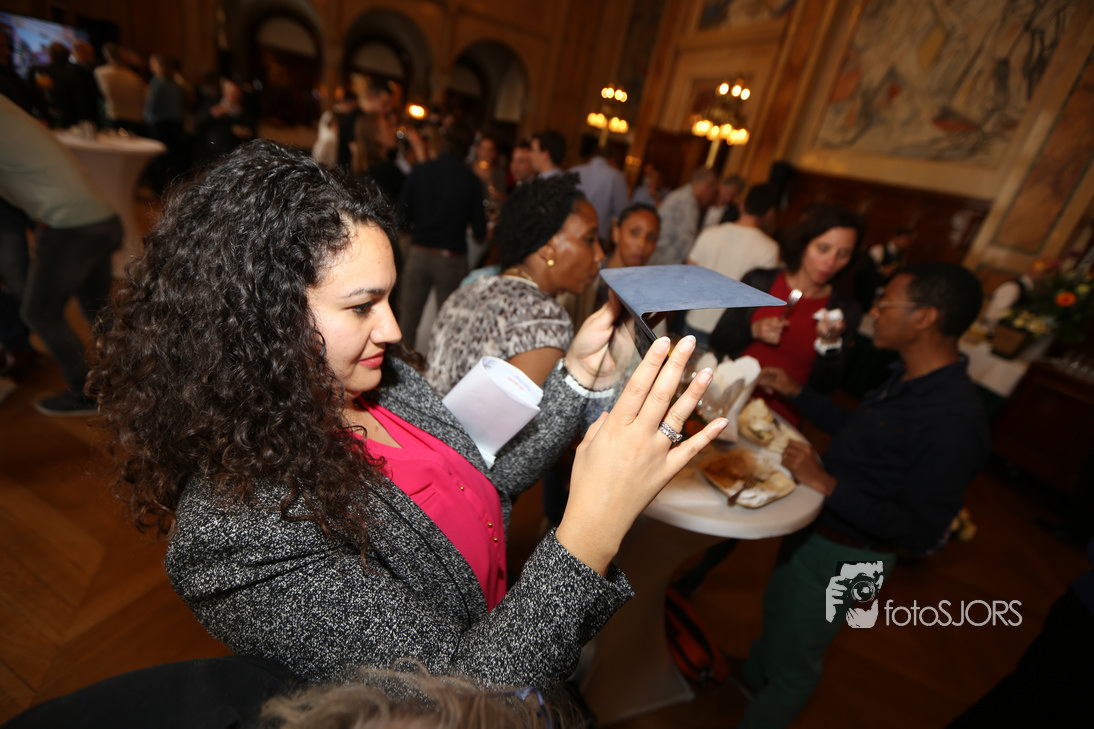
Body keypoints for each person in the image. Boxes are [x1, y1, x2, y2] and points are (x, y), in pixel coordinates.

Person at [88, 140, 727, 689]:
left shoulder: (382, 382)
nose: (393, 330)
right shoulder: (236, 534)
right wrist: (590, 530)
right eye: (362, 306)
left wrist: (580, 377)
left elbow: (483, 482)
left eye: (389, 298)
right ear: (263, 320)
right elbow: (462, 692)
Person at [734, 261, 991, 729]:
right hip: (818, 528)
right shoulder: (910, 378)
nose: (875, 311)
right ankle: (751, 684)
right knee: (777, 616)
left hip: (852, 558)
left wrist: (826, 483)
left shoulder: (954, 423)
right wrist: (798, 392)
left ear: (924, 317)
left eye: (886, 302)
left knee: (796, 663)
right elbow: (864, 434)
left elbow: (919, 533)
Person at [0, 95, 122, 415]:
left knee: (40, 313)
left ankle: (85, 392)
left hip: (69, 227)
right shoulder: (9, 109)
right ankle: (127, 376)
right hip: (101, 219)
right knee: (97, 308)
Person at [426, 173, 602, 394]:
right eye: (589, 239)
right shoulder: (543, 316)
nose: (599, 255)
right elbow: (525, 416)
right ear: (548, 249)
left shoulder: (466, 291)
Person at [708, 203, 863, 426]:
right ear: (804, 243)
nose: (831, 262)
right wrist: (753, 330)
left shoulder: (845, 310)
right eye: (823, 249)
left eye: (843, 254)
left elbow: (825, 386)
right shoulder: (760, 281)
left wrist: (829, 345)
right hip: (728, 400)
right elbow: (718, 339)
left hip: (779, 420)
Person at [396, 123, 487, 352]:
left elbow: (401, 216)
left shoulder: (422, 171)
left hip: (419, 252)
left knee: (407, 321)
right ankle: (439, 369)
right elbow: (480, 231)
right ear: (468, 150)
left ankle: (398, 368)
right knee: (449, 324)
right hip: (451, 259)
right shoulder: (471, 181)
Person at [684, 183, 779, 346]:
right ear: (769, 213)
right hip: (730, 327)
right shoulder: (769, 248)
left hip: (697, 317)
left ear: (742, 205)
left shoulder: (710, 233)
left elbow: (688, 274)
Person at [647, 167, 718, 266]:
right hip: (663, 262)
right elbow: (686, 243)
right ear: (706, 186)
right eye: (714, 192)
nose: (713, 197)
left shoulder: (682, 194)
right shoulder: (688, 200)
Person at [143, 55, 187, 194]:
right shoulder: (177, 84)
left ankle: (159, 188)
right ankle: (178, 187)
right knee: (175, 157)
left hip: (159, 124)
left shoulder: (157, 83)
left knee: (159, 157)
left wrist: (146, 118)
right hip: (176, 123)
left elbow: (151, 106)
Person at [570, 146, 629, 245]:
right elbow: (623, 211)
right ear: (612, 160)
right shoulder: (616, 176)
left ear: (591, 157)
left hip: (569, 232)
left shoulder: (574, 170)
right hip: (595, 237)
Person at [194, 78, 255, 163]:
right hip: (211, 153)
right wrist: (211, 114)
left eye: (235, 93)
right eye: (230, 92)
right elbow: (198, 122)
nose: (232, 96)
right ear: (224, 92)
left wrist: (246, 132)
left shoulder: (244, 113)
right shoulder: (213, 104)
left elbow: (252, 132)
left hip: (234, 155)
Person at [853, 226, 914, 312]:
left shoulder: (901, 255)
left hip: (882, 287)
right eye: (905, 239)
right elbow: (863, 268)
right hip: (866, 286)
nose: (907, 243)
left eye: (909, 240)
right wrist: (881, 270)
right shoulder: (879, 249)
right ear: (895, 238)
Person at [94, 43, 146, 134]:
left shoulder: (100, 72)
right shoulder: (134, 77)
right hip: (136, 118)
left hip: (115, 116)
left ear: (106, 57)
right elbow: (143, 98)